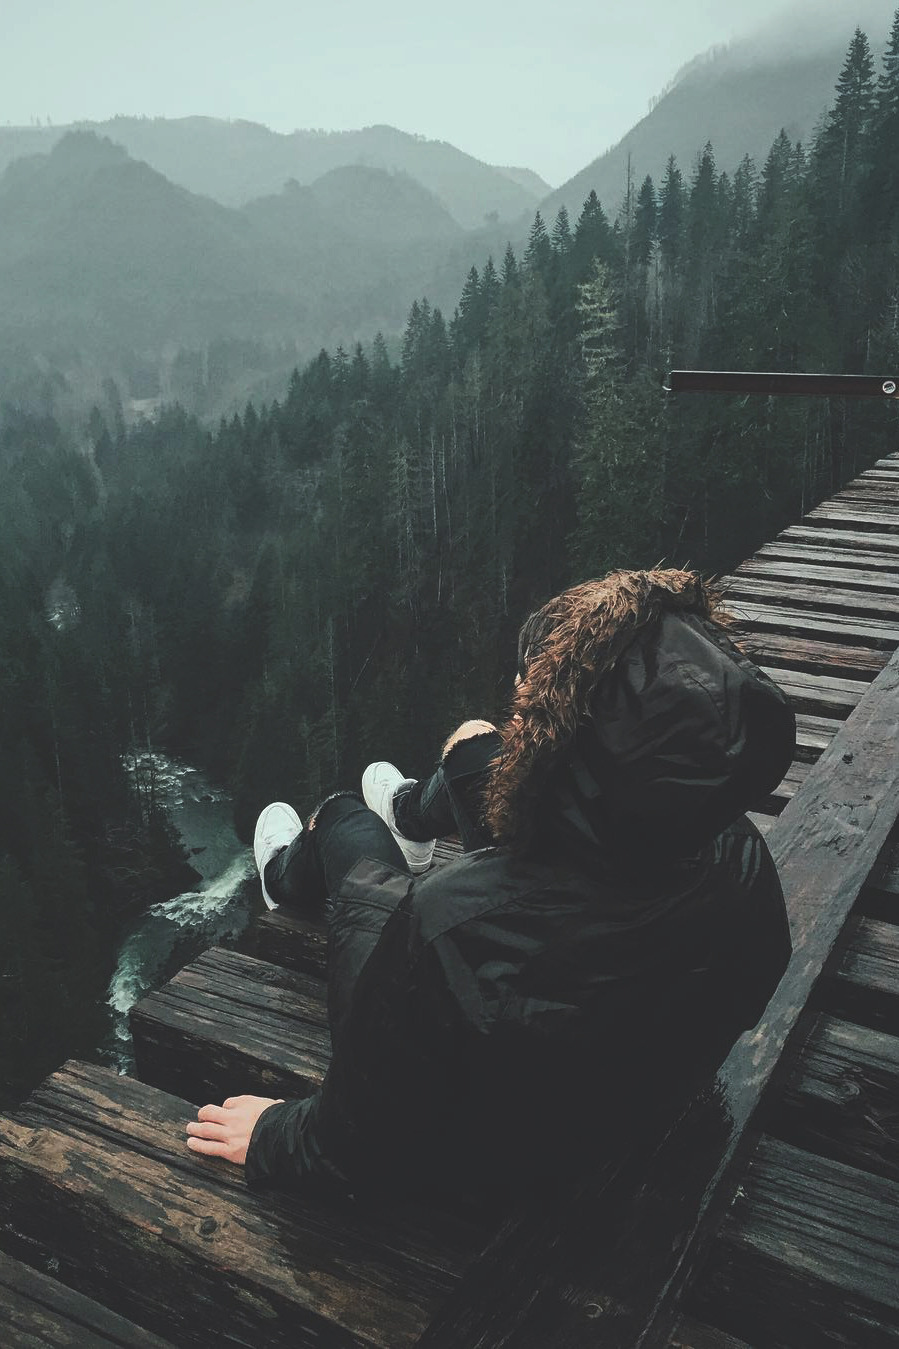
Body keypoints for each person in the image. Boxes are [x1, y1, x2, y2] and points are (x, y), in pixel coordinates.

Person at [186, 569, 795, 1209]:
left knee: (344, 821)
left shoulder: (449, 924)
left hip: (495, 1162)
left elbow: (352, 1142)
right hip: (615, 1060)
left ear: (568, 738)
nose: (518, 701)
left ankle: (285, 874)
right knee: (477, 747)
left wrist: (275, 1135)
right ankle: (411, 812)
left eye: (532, 697)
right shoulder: (742, 860)